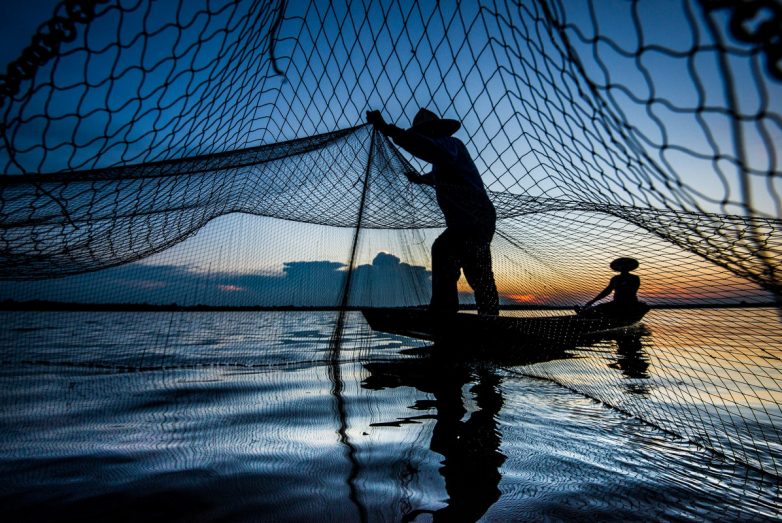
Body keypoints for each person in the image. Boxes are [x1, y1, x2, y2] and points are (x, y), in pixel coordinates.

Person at [366, 108, 499, 316]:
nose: (425, 137)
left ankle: (488, 316)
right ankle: (446, 310)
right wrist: (420, 179)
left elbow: (433, 151)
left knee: (475, 267)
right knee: (445, 252)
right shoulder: (441, 162)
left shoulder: (451, 145)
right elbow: (437, 173)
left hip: (476, 218)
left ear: (436, 131)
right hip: (461, 223)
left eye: (426, 132)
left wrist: (388, 129)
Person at [578, 257, 647, 318]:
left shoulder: (634, 278)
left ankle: (586, 313)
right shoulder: (615, 278)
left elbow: (631, 290)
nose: (623, 267)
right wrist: (593, 301)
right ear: (619, 268)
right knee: (600, 307)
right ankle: (585, 313)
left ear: (629, 267)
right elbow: (607, 291)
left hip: (630, 303)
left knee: (607, 308)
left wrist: (623, 283)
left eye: (625, 265)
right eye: (621, 265)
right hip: (616, 303)